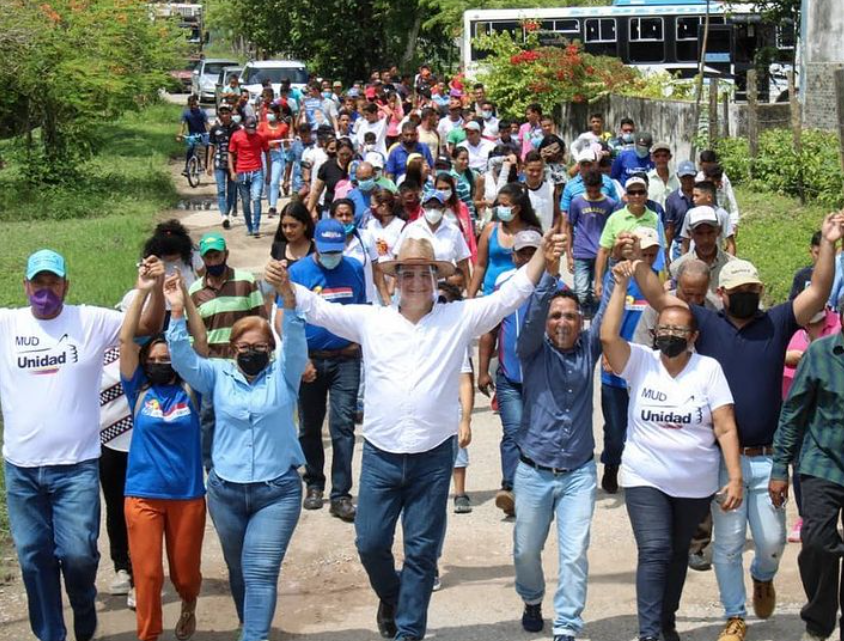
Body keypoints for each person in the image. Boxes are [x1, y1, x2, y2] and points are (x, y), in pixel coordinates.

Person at [271, 225, 565, 641]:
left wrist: (543, 255)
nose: (414, 281)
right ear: (394, 279)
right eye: (405, 273)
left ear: (435, 278)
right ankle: (392, 596)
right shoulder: (370, 320)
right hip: (380, 456)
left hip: (432, 457)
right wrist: (285, 285)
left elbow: (508, 296)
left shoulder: (457, 318)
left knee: (423, 554)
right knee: (370, 544)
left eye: (423, 273)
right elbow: (317, 309)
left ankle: (409, 631)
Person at [628, 211, 844, 641]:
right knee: (726, 545)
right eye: (739, 289)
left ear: (761, 291)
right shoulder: (705, 323)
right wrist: (638, 261)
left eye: (754, 289)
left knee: (771, 543)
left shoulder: (777, 322)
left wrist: (830, 240)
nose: (747, 295)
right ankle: (734, 614)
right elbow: (658, 298)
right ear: (721, 292)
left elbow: (819, 290)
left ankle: (763, 576)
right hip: (722, 459)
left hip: (766, 460)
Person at [2, 250, 163, 641]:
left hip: (76, 467)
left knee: (78, 555)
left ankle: (83, 600)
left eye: (52, 282)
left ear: (65, 285)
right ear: (25, 286)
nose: (45, 290)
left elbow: (148, 324)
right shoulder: (7, 324)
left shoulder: (89, 320)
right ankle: (51, 634)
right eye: (37, 283)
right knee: (33, 557)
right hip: (22, 468)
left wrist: (151, 289)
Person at [601, 259, 743, 641]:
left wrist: (735, 477)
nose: (670, 335)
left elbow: (725, 425)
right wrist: (619, 287)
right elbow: (608, 339)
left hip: (694, 483)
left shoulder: (708, 369)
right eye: (664, 328)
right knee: (655, 550)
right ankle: (650, 634)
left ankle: (667, 620)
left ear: (693, 336)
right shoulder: (641, 363)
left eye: (678, 330)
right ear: (655, 332)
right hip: (645, 474)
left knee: (678, 553)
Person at [168, 263, 307, 641]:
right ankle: (250, 623)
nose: (251, 353)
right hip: (226, 491)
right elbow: (182, 359)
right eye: (244, 347)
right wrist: (177, 312)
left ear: (269, 349)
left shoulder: (284, 373)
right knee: (238, 568)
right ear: (232, 349)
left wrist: (288, 299)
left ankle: (254, 637)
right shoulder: (217, 374)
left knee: (260, 568)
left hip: (276, 490)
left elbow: (294, 341)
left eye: (259, 347)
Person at [512, 232, 611, 641]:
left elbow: (607, 316)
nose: (563, 322)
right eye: (557, 316)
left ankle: (567, 625)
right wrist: (549, 273)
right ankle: (532, 597)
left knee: (573, 556)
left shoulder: (589, 348)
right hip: (534, 471)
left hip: (578, 473)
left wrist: (621, 276)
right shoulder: (531, 349)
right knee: (526, 552)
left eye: (571, 316)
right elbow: (533, 315)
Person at [120, 272, 206, 641]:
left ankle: (188, 603)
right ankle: (149, 634)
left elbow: (200, 340)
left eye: (166, 357)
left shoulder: (191, 386)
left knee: (184, 575)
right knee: (149, 575)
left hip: (187, 496)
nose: (159, 362)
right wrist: (142, 292)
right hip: (142, 494)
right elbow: (126, 340)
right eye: (153, 358)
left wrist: (182, 298)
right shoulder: (137, 390)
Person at [771, 303, 844, 641]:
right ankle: (818, 621)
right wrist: (779, 469)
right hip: (822, 461)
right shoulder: (820, 354)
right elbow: (793, 412)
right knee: (817, 542)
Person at [286, 219, 367, 521]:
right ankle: (315, 483)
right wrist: (299, 358)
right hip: (311, 360)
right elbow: (288, 319)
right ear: (315, 244)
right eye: (326, 250)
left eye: (338, 249)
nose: (332, 255)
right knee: (309, 425)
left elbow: (362, 310)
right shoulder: (298, 273)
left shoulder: (355, 269)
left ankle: (341, 493)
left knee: (343, 426)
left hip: (346, 358)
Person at [478, 230, 544, 516]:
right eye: (523, 252)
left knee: (539, 432)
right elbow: (489, 331)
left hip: (543, 379)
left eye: (534, 252)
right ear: (514, 256)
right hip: (509, 378)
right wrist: (483, 371)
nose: (528, 258)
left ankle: (539, 488)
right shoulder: (503, 286)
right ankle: (512, 489)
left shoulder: (554, 287)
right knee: (514, 431)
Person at [189, 233, 267, 470]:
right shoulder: (194, 291)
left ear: (226, 255)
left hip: (243, 363)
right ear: (203, 259)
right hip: (212, 364)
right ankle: (211, 466)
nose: (213, 261)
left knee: (248, 413)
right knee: (209, 416)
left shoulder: (245, 281)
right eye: (209, 257)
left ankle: (250, 459)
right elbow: (190, 331)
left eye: (217, 255)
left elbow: (259, 319)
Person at [598, 229, 662, 494]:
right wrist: (607, 355)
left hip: (645, 367)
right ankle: (612, 462)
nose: (647, 258)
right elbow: (606, 319)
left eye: (651, 254)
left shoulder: (657, 282)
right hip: (615, 365)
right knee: (615, 427)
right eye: (642, 253)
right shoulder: (619, 278)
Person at [469, 183, 543, 298]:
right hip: (491, 293)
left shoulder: (531, 234)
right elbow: (480, 265)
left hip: (520, 293)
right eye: (499, 204)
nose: (500, 208)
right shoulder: (490, 229)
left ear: (517, 208)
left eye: (505, 205)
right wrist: (471, 296)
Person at [594, 175, 661, 300]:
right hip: (620, 273)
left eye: (641, 192)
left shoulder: (655, 218)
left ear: (646, 195)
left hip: (647, 274)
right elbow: (603, 251)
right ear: (626, 196)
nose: (637, 196)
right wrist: (598, 281)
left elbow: (661, 251)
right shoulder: (615, 218)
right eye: (632, 192)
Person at [393, 191, 472, 288]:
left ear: (443, 208)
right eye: (429, 206)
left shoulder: (453, 231)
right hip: (416, 285)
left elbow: (463, 263)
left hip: (445, 286)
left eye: (437, 207)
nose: (433, 210)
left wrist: (469, 292)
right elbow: (398, 258)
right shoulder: (411, 229)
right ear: (423, 207)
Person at [565, 169, 617, 318]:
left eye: (596, 190)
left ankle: (595, 317)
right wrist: (569, 255)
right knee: (581, 291)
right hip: (581, 252)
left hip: (602, 253)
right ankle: (581, 314)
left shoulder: (610, 204)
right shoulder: (577, 202)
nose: (593, 194)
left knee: (598, 291)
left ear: (601, 186)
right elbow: (569, 227)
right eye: (590, 190)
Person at [669, 206, 736, 295]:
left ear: (718, 231)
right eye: (699, 234)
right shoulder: (677, 268)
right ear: (690, 234)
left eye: (710, 232)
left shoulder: (732, 266)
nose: (705, 240)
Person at [228, 116, 271, 238]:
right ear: (244, 126)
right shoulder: (236, 136)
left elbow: (267, 154)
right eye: (249, 128)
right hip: (241, 171)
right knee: (246, 201)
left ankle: (257, 227)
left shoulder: (261, 136)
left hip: (257, 170)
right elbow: (230, 154)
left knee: (256, 197)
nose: (251, 131)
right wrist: (232, 171)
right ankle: (249, 226)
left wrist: (269, 173)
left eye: (253, 128)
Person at [679, 181, 735, 256]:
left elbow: (730, 243)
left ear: (708, 197)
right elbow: (685, 241)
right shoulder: (690, 214)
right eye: (693, 196)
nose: (693, 199)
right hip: (694, 259)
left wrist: (731, 264)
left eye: (697, 196)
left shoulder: (722, 214)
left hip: (716, 258)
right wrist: (684, 261)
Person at [560, 148, 620, 218]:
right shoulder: (570, 186)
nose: (587, 167)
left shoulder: (607, 182)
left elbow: (617, 207)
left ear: (596, 164)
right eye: (583, 164)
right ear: (578, 165)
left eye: (589, 164)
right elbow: (564, 212)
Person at [207, 104, 239, 229]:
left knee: (231, 191)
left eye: (227, 113)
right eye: (222, 113)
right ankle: (223, 216)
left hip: (234, 164)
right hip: (219, 163)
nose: (224, 115)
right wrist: (208, 163)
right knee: (221, 190)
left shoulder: (237, 129)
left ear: (231, 114)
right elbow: (211, 145)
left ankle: (227, 213)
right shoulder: (215, 128)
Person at [308, 138, 354, 220]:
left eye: (348, 154)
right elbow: (317, 190)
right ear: (336, 152)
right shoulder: (327, 166)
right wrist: (310, 210)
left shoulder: (356, 166)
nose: (345, 157)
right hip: (330, 209)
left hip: (351, 212)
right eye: (342, 154)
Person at [257, 103, 289, 218]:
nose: (269, 115)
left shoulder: (283, 126)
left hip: (277, 155)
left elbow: (286, 143)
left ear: (277, 113)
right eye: (268, 113)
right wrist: (266, 144)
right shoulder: (262, 125)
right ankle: (270, 201)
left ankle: (273, 206)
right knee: (267, 179)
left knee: (274, 181)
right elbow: (258, 140)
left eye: (271, 112)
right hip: (265, 155)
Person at [664, 161, 697, 261]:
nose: (687, 180)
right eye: (684, 177)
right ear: (678, 176)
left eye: (690, 177)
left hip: (699, 245)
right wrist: (667, 252)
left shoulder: (700, 196)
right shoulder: (671, 199)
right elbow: (670, 228)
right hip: (679, 246)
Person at [270, 200, 316, 268]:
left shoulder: (316, 249)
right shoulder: (278, 247)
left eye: (293, 226)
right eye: (284, 226)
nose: (288, 231)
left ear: (305, 226)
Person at [177, 95, 208, 176]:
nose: (193, 106)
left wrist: (211, 132)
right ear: (188, 104)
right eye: (191, 104)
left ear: (196, 103)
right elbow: (183, 124)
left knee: (208, 147)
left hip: (203, 134)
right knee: (190, 149)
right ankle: (187, 167)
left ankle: (206, 164)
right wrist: (180, 134)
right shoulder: (186, 113)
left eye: (194, 104)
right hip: (192, 134)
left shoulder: (202, 112)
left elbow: (206, 124)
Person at [789, 231, 822, 301]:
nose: (821, 257)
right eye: (817, 253)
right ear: (811, 252)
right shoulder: (802, 276)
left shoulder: (838, 275)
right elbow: (792, 304)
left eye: (825, 253)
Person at [647, 142, 678, 208]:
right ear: (652, 158)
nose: (661, 159)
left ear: (670, 157)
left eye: (664, 155)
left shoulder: (678, 178)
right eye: (657, 156)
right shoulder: (647, 179)